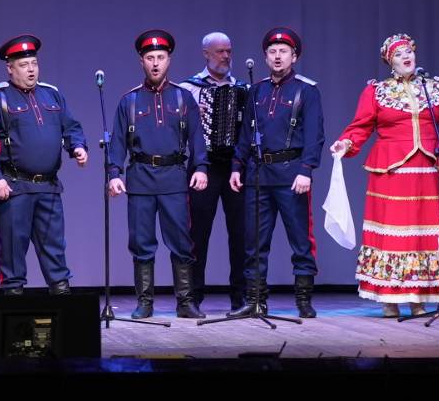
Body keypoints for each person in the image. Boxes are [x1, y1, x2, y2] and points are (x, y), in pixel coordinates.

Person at [330, 33, 439, 318]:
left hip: (428, 170)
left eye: (409, 51)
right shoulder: (376, 91)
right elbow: (361, 125)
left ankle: (419, 298)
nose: (406, 56)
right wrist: (346, 143)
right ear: (389, 61)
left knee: (423, 233)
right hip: (391, 172)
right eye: (398, 54)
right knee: (393, 234)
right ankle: (389, 298)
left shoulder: (434, 87)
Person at [107, 30, 209, 319]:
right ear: (141, 61)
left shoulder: (183, 97)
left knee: (181, 242)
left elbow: (197, 138)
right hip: (140, 178)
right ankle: (145, 303)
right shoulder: (129, 101)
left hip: (174, 177)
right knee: (141, 243)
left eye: (160, 57)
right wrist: (114, 173)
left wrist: (201, 168)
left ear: (169, 60)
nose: (155, 63)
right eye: (150, 58)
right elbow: (117, 143)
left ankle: (186, 302)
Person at [0, 34, 89, 295]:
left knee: (54, 246)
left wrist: (78, 146)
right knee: (13, 248)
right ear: (10, 68)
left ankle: (61, 293)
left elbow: (71, 127)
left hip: (48, 186)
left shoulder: (52, 94)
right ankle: (13, 297)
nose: (31, 70)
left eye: (34, 64)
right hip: (14, 186)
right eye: (24, 65)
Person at [229, 27, 324, 319]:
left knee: (300, 240)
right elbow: (246, 134)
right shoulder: (256, 90)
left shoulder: (306, 90)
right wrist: (237, 166)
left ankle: (303, 300)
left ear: (294, 56)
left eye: (283, 51)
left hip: (291, 174)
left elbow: (315, 135)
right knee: (254, 243)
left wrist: (306, 170)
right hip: (258, 174)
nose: (278, 56)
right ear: (265, 57)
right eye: (272, 52)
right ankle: (255, 300)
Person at [179, 32, 248, 312]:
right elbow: (181, 130)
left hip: (235, 168)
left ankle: (240, 297)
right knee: (197, 234)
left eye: (229, 51)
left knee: (241, 234)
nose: (226, 56)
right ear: (206, 54)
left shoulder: (242, 88)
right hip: (203, 167)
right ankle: (193, 297)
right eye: (220, 51)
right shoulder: (189, 89)